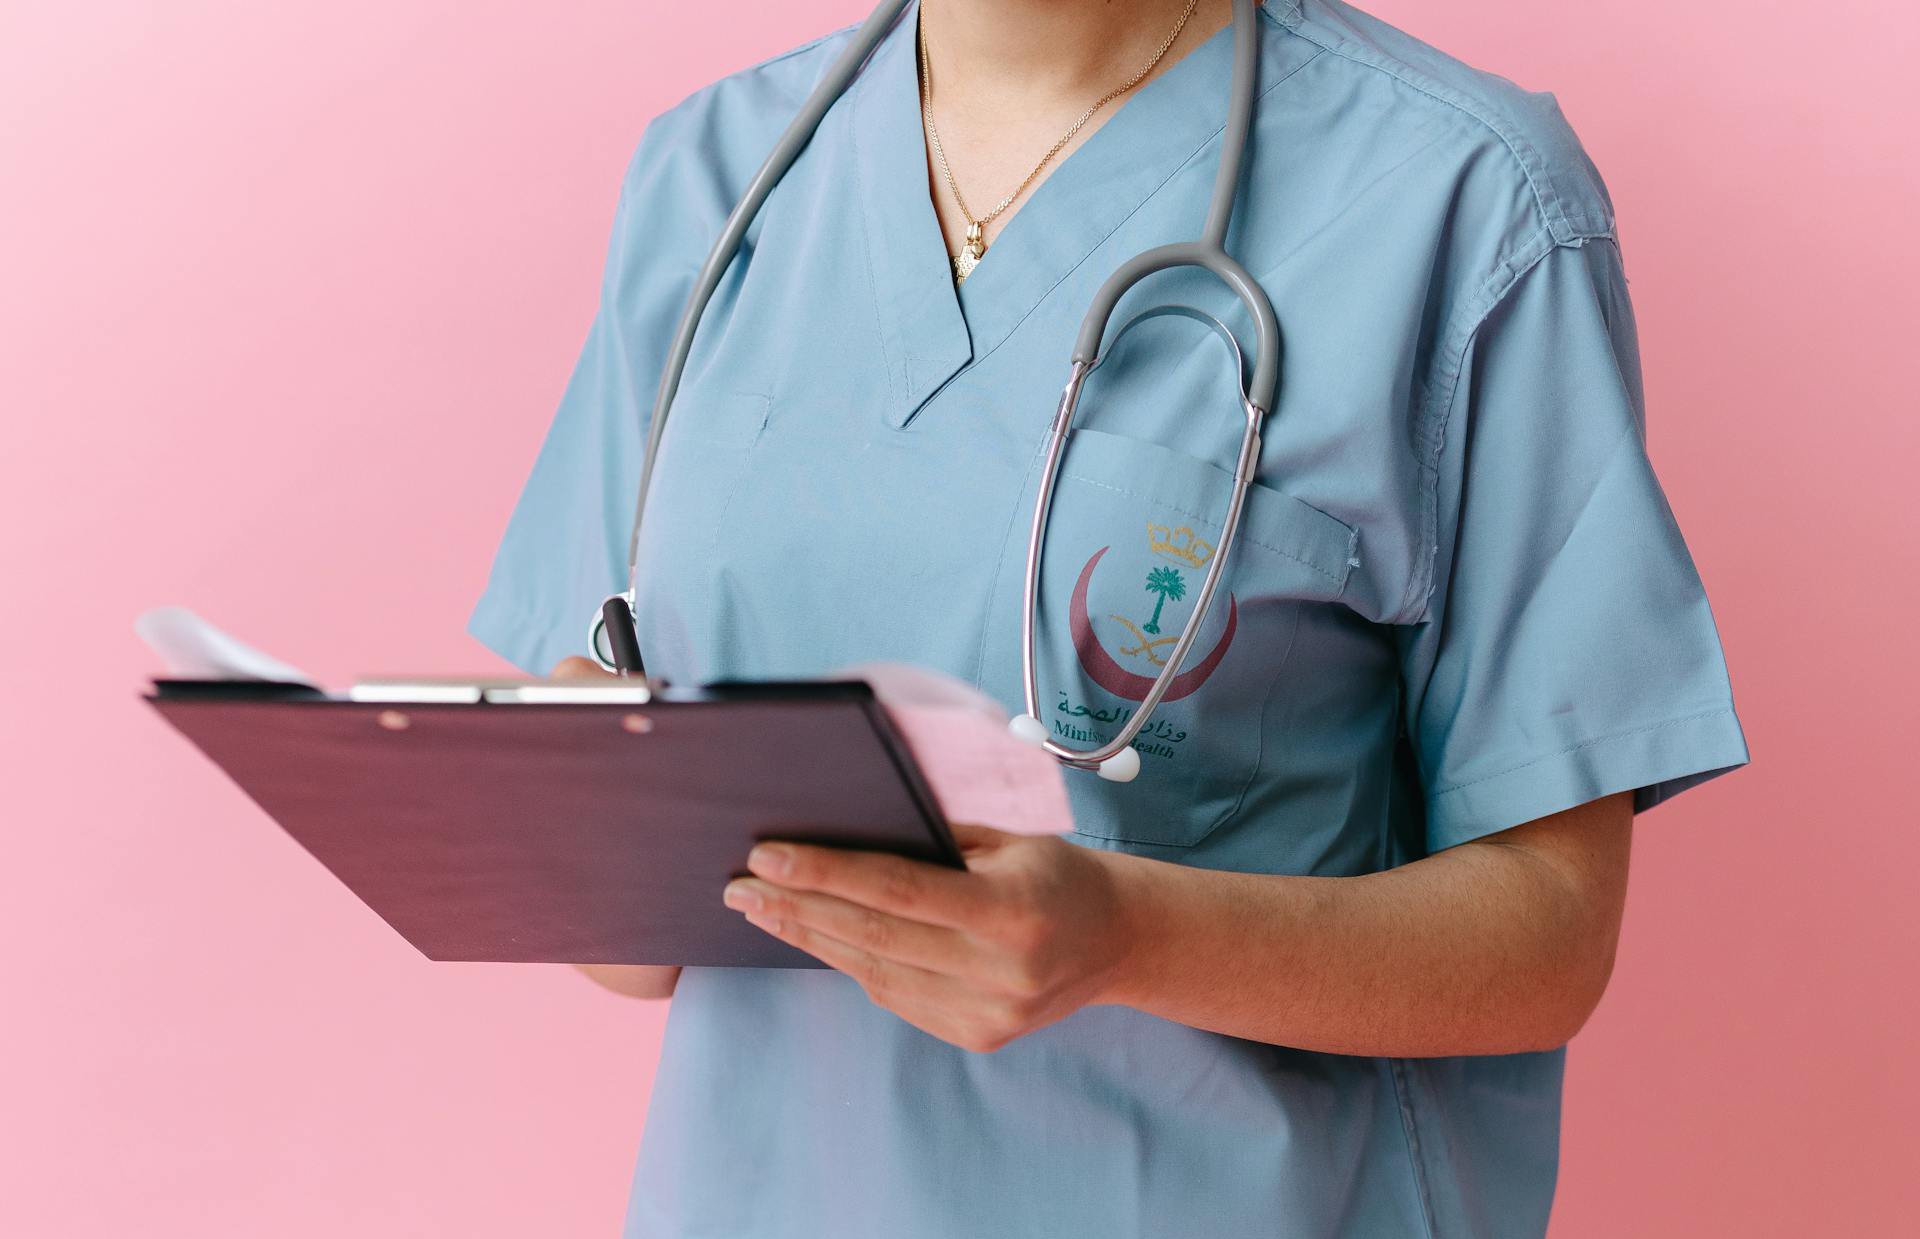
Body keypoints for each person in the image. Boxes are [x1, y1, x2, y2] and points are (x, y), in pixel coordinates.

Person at [470, 1, 1750, 1234]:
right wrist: (559, 799)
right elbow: (625, 923)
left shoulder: (1461, 197)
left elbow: (1550, 939)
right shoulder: (719, 172)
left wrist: (1125, 938)